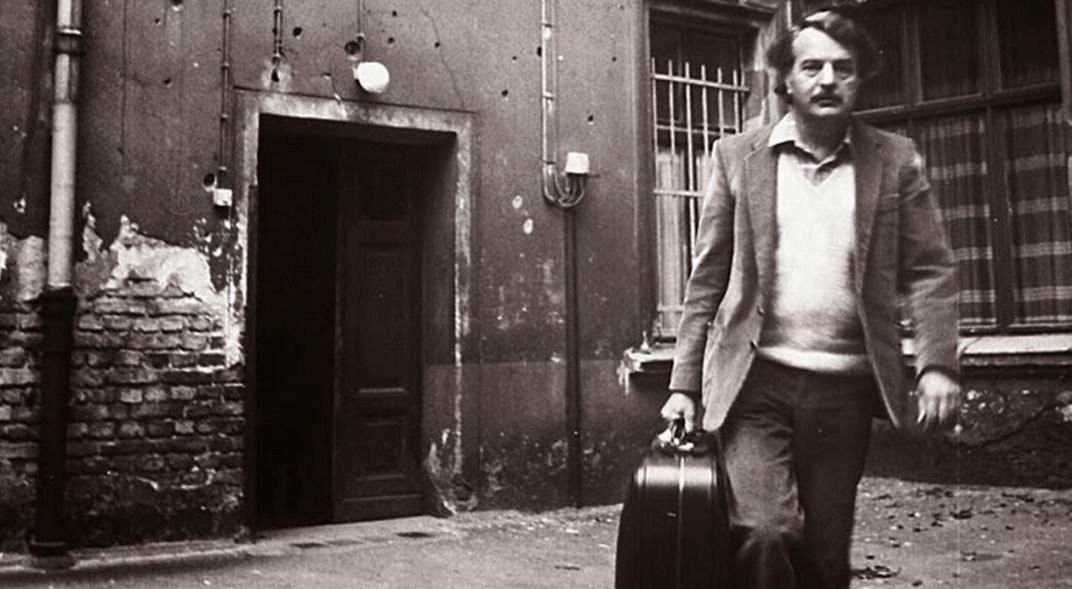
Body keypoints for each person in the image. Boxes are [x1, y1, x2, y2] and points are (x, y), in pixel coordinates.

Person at [659, 8, 962, 589]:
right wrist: (683, 386)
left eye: (843, 69)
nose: (828, 80)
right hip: (755, 383)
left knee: (824, 556)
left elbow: (929, 269)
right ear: (787, 80)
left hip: (843, 390)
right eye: (812, 67)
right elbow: (707, 281)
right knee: (764, 531)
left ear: (860, 79)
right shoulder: (737, 158)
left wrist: (937, 365)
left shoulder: (893, 160)